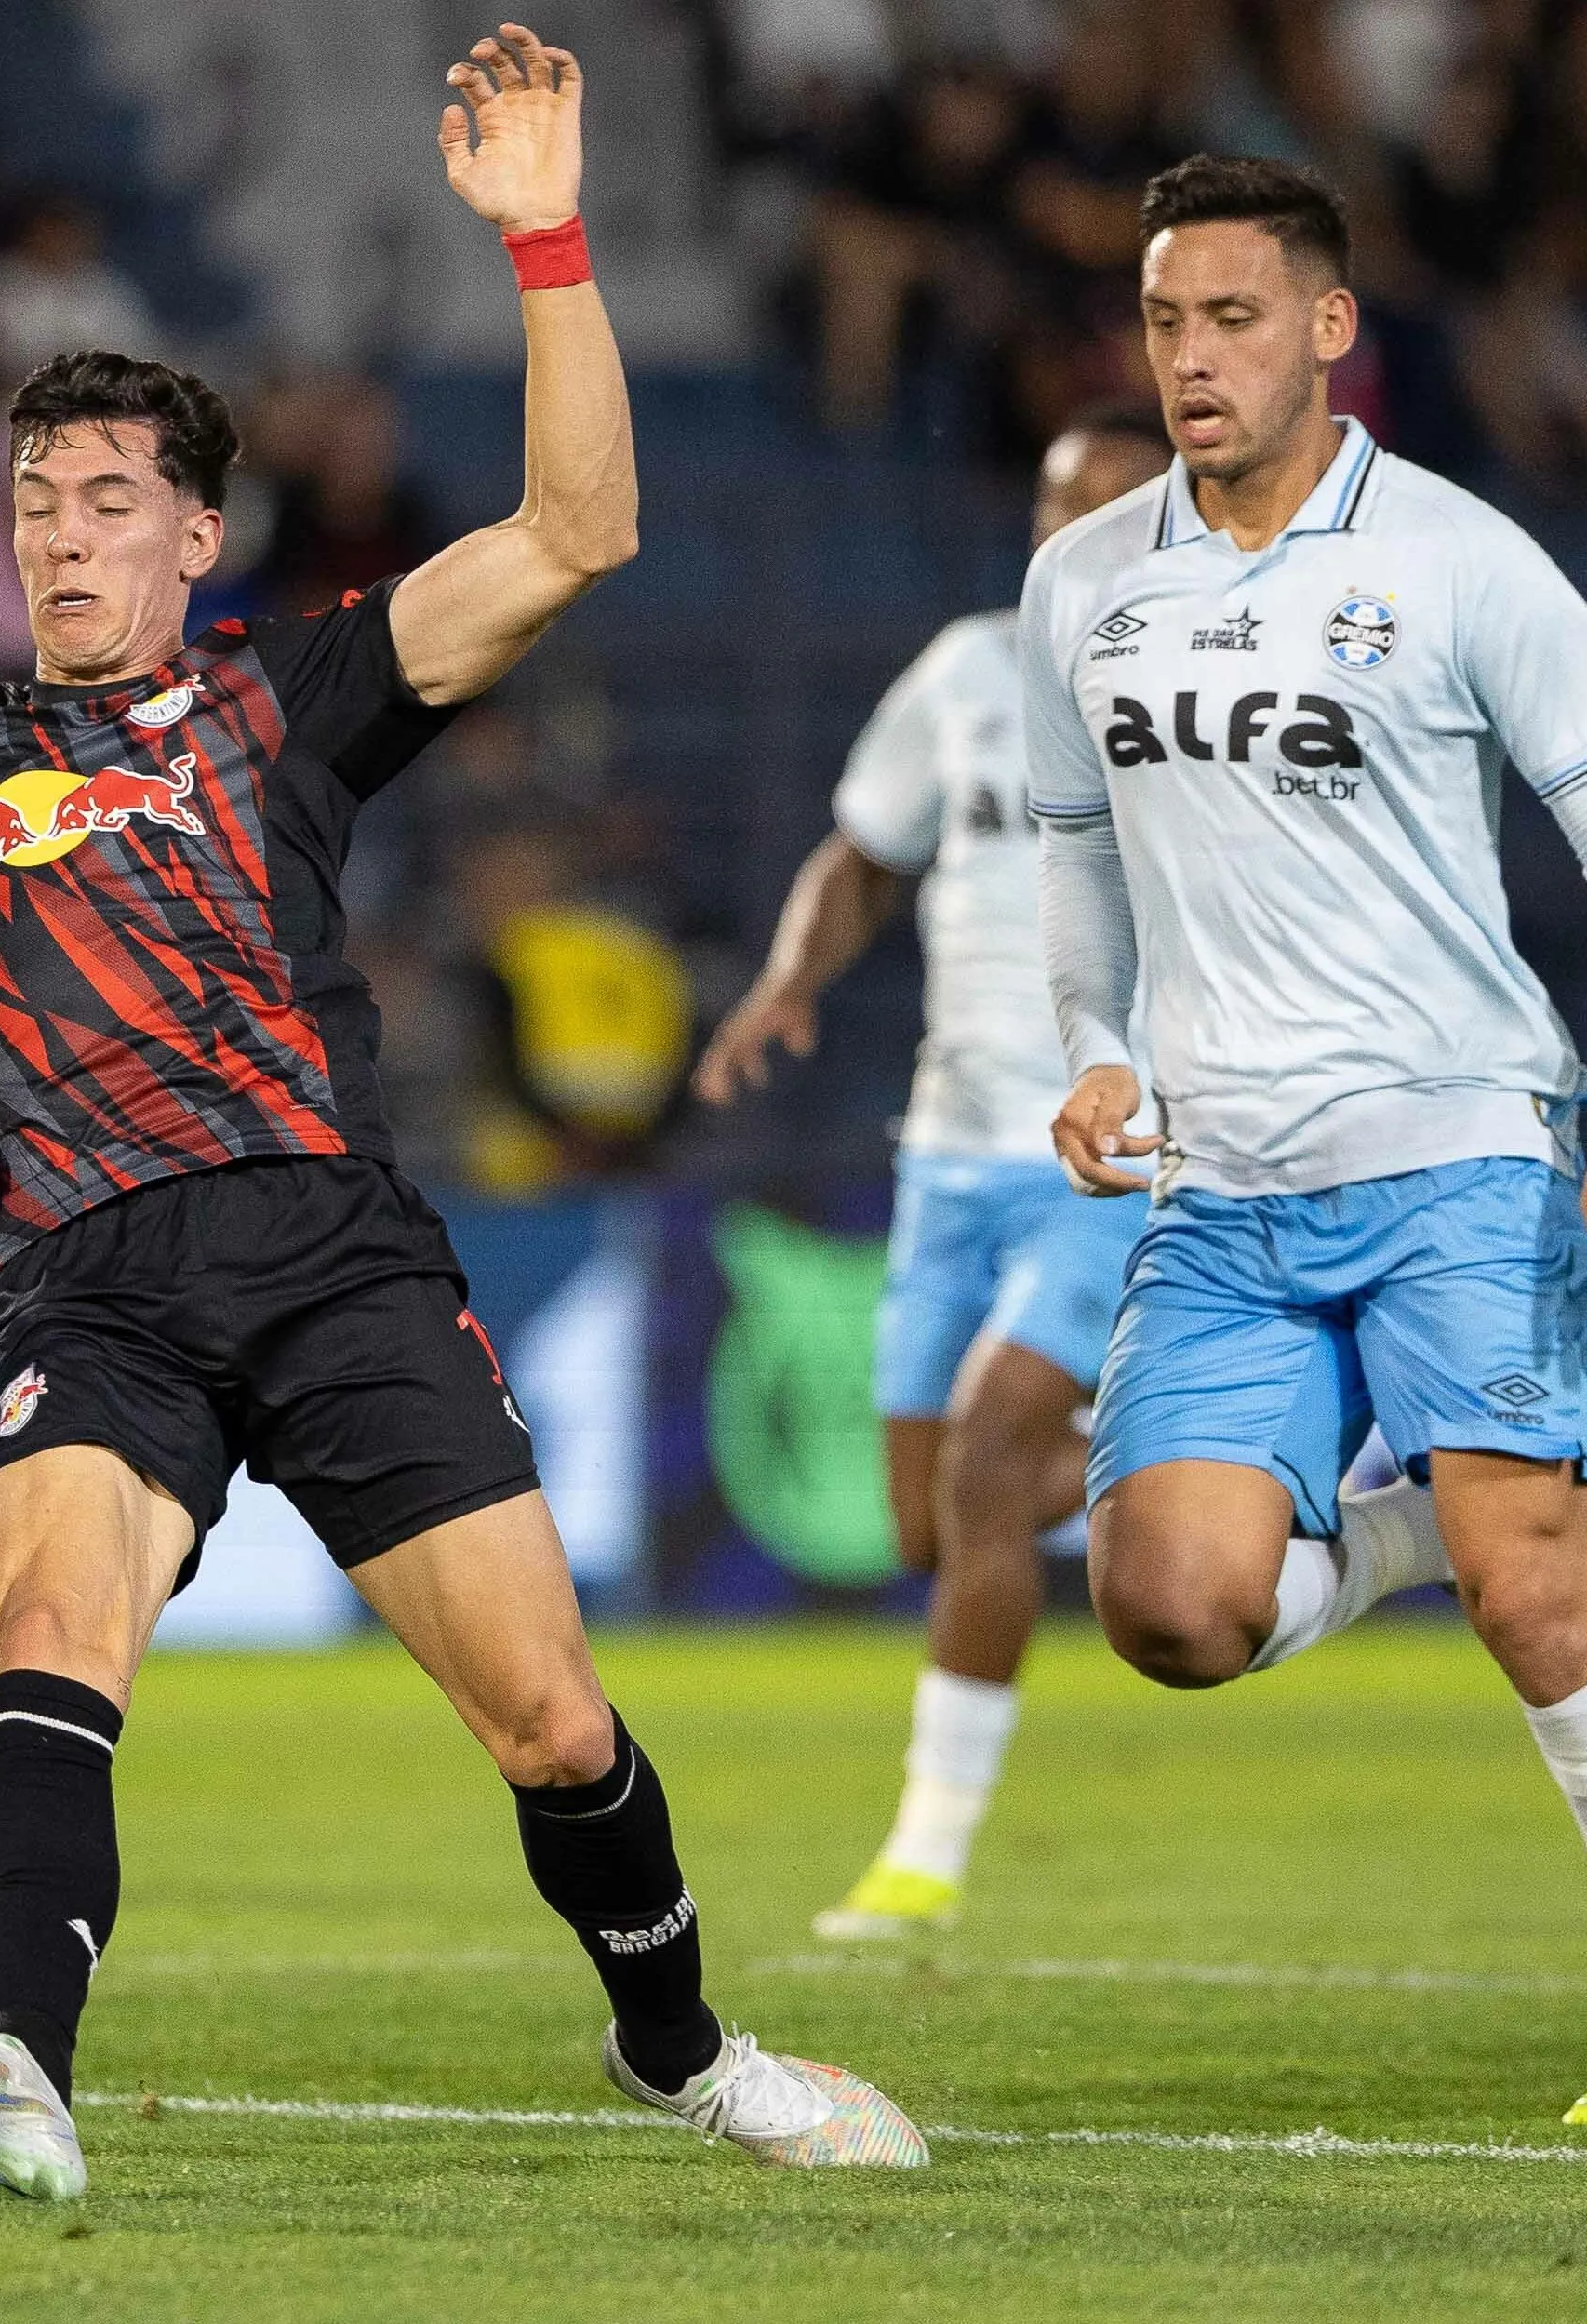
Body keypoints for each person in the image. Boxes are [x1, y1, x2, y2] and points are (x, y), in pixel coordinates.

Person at [0, 27, 927, 2201]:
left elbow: (581, 528)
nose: (60, 536)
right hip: (80, 1273)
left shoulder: (283, 694)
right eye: (34, 501)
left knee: (550, 1721)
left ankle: (686, 2046)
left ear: (195, 534)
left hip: (332, 1256)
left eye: (106, 502)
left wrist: (543, 235)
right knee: (55, 1631)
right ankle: (14, 2075)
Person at [1025, 157, 1587, 2126]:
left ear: (1332, 329)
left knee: (1541, 1594)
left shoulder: (1455, 556)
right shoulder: (1082, 580)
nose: (1192, 358)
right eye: (1166, 321)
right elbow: (1075, 860)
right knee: (1171, 1607)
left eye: (1235, 318)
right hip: (1225, 1189)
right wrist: (1096, 1052)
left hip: (1464, 1151)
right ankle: (1420, 1526)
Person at [690, 407, 1175, 1942]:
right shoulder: (965, 671)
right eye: (1057, 507)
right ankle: (1221, 1467)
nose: (1075, 538)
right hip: (947, 1159)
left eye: (1112, 510)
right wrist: (788, 980)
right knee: (926, 1522)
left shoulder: (1202, 686)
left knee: (980, 1468)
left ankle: (924, 1856)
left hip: (1110, 1157)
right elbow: (861, 852)